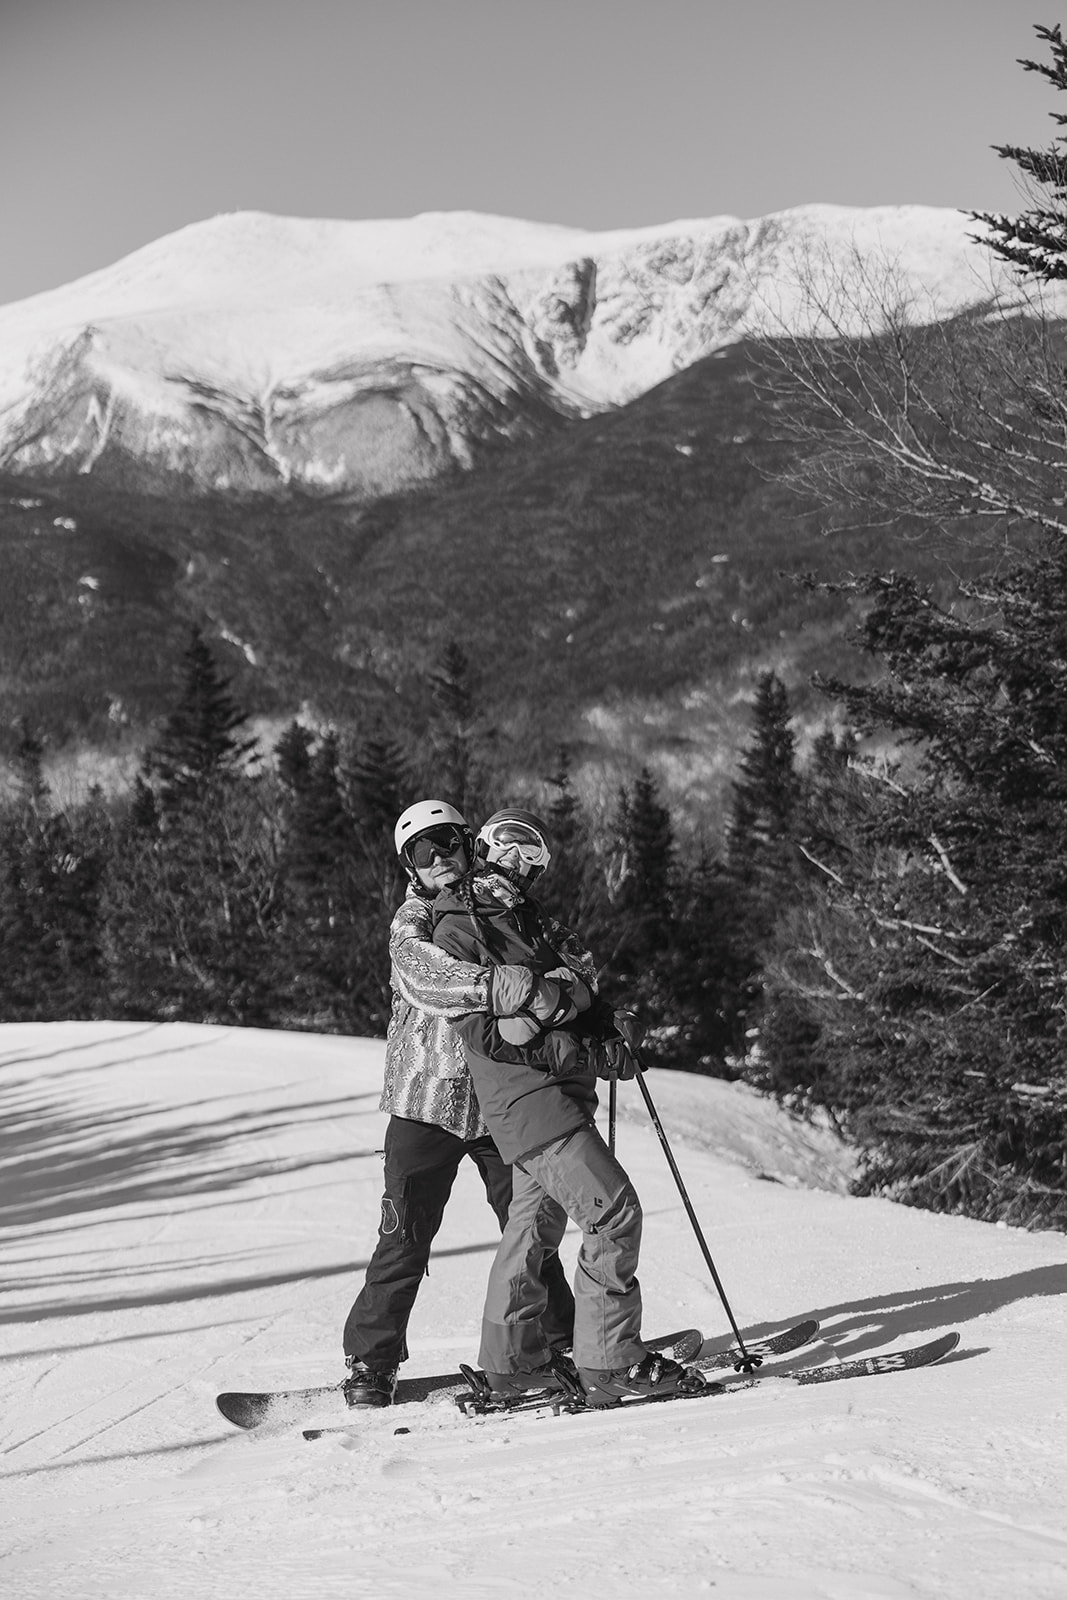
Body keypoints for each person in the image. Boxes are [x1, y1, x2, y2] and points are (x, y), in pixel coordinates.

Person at [431, 807, 704, 1409]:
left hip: (554, 1100)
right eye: (512, 847)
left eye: (535, 856)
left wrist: (608, 1029)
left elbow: (570, 998)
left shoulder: (525, 921)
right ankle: (610, 1360)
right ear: (483, 847)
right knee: (614, 1214)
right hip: (530, 1103)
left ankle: (511, 1364)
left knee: (533, 1229)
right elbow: (482, 1031)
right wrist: (565, 1040)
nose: (522, 863)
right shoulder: (459, 926)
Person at [341, 799, 575, 1407]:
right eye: (424, 850)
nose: (440, 857)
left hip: (498, 1101)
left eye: (448, 842)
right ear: (410, 866)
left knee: (529, 1225)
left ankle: (562, 1340)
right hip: (425, 1104)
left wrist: (572, 998)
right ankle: (371, 1364)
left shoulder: (497, 908)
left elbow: (558, 958)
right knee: (403, 1238)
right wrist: (494, 986)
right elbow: (425, 975)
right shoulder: (414, 919)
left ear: (470, 842)